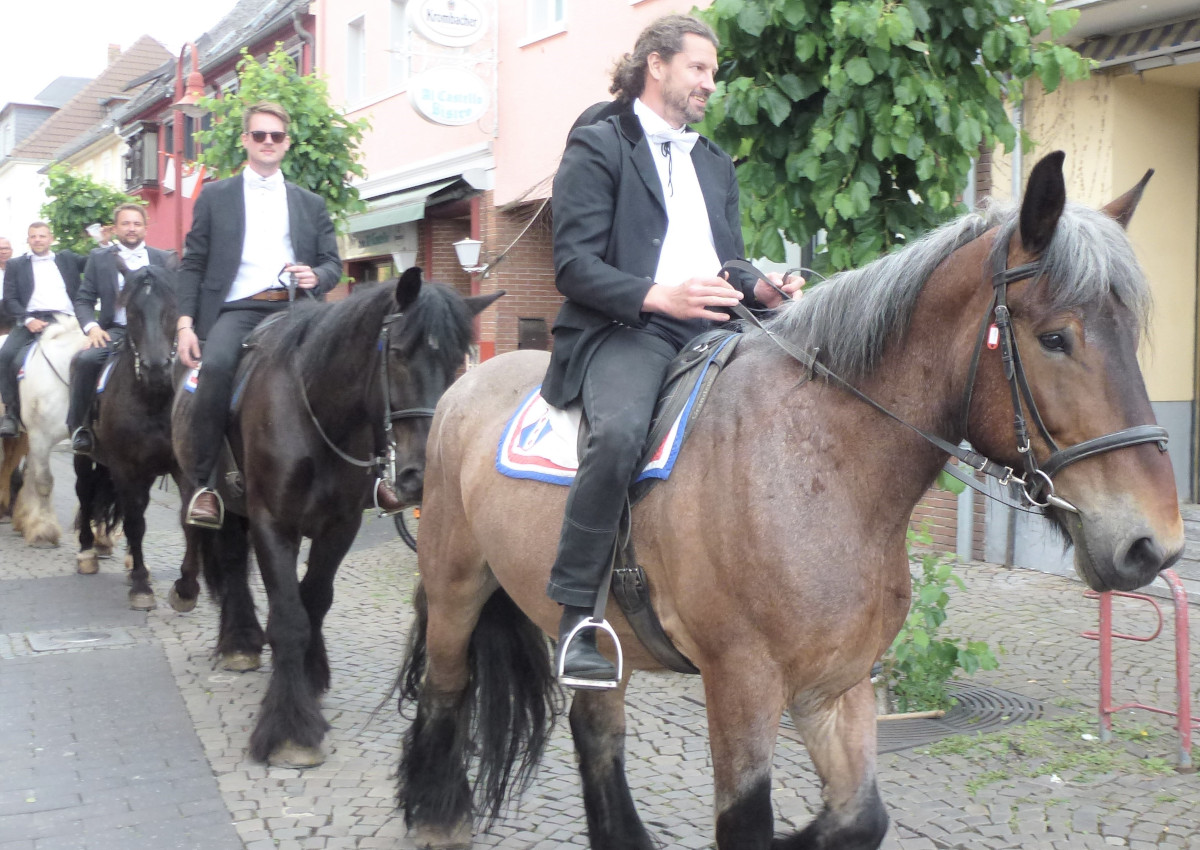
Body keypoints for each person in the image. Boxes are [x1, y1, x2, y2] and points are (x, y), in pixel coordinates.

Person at [542, 14, 803, 687]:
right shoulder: (599, 146)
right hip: (628, 329)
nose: (710, 84)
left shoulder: (713, 162)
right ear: (656, 65)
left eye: (714, 73)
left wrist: (764, 288)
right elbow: (571, 267)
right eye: (699, 69)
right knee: (620, 433)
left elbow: (729, 262)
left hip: (718, 323)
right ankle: (577, 616)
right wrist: (660, 297)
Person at [176, 101, 402, 528]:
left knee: (359, 366)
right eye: (259, 135)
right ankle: (204, 485)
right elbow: (193, 263)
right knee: (218, 368)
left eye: (275, 136)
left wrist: (315, 275)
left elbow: (332, 264)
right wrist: (185, 323)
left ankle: (373, 474)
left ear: (286, 143)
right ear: (246, 140)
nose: (267, 142)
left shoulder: (309, 203)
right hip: (239, 309)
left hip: (299, 310)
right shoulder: (215, 196)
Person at [67, 204, 178, 454]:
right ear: (115, 228)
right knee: (86, 360)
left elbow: (177, 298)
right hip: (116, 330)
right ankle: (80, 425)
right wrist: (92, 327)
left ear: (145, 228)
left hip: (158, 332)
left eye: (137, 224)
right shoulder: (99, 259)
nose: (131, 229)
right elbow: (84, 299)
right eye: (126, 224)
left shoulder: (164, 258)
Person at [0, 222, 86, 437]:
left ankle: (90, 413)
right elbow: (10, 299)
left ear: (51, 238)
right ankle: (11, 414)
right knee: (6, 355)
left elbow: (94, 263)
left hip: (67, 321)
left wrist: (103, 241)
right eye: (33, 236)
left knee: (93, 356)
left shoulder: (67, 258)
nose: (38, 240)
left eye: (42, 236)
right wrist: (27, 319)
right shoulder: (16, 265)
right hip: (30, 321)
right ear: (28, 240)